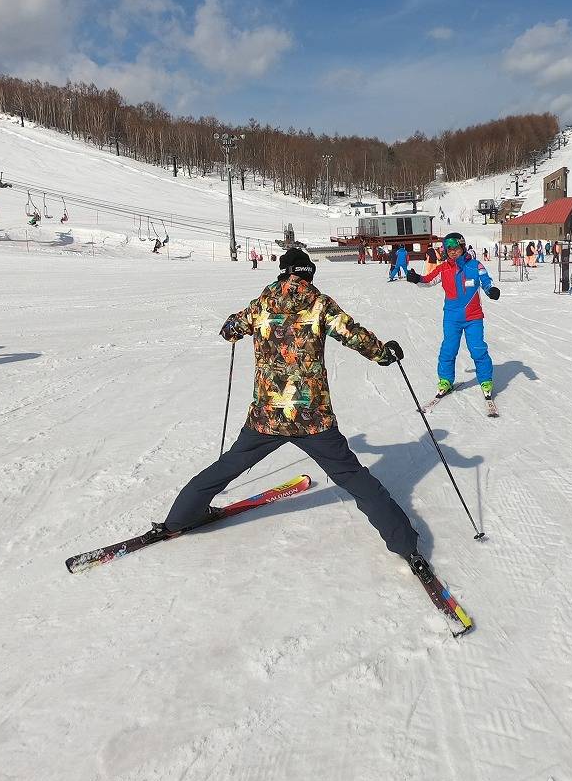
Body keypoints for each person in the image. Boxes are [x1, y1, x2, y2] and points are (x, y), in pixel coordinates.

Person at [159, 248, 434, 577]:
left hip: (268, 416)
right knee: (355, 479)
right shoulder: (319, 304)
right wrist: (384, 354)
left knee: (227, 466)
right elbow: (354, 335)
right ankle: (406, 545)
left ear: (283, 272)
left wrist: (235, 328)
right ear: (308, 274)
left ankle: (179, 519)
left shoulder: (263, 303)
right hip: (312, 419)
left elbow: (230, 328)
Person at [406, 232, 499, 399]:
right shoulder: (443, 268)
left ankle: (485, 380)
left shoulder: (475, 266)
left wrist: (491, 290)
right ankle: (446, 380)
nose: (453, 252)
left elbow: (486, 281)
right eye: (450, 250)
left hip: (473, 317)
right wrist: (416, 278)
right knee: (448, 349)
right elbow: (427, 280)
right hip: (451, 318)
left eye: (456, 248)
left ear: (462, 248)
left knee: (478, 349)